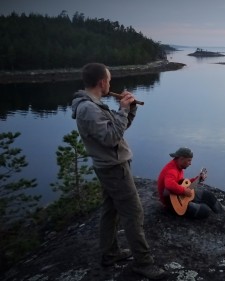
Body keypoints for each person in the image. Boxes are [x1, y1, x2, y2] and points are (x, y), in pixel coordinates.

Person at [71, 63, 165, 280]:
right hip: (113, 168)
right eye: (109, 80)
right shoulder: (88, 109)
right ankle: (143, 262)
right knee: (134, 213)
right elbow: (111, 137)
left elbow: (117, 129)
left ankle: (110, 253)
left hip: (111, 165)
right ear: (102, 81)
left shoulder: (95, 104)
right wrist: (122, 109)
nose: (110, 84)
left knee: (110, 210)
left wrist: (130, 110)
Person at [157, 147, 225, 219]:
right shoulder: (172, 170)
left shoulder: (178, 167)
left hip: (178, 196)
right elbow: (169, 185)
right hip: (172, 205)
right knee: (205, 211)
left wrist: (198, 179)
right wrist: (184, 191)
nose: (190, 163)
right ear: (181, 159)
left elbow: (182, 183)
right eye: (189, 160)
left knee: (208, 196)